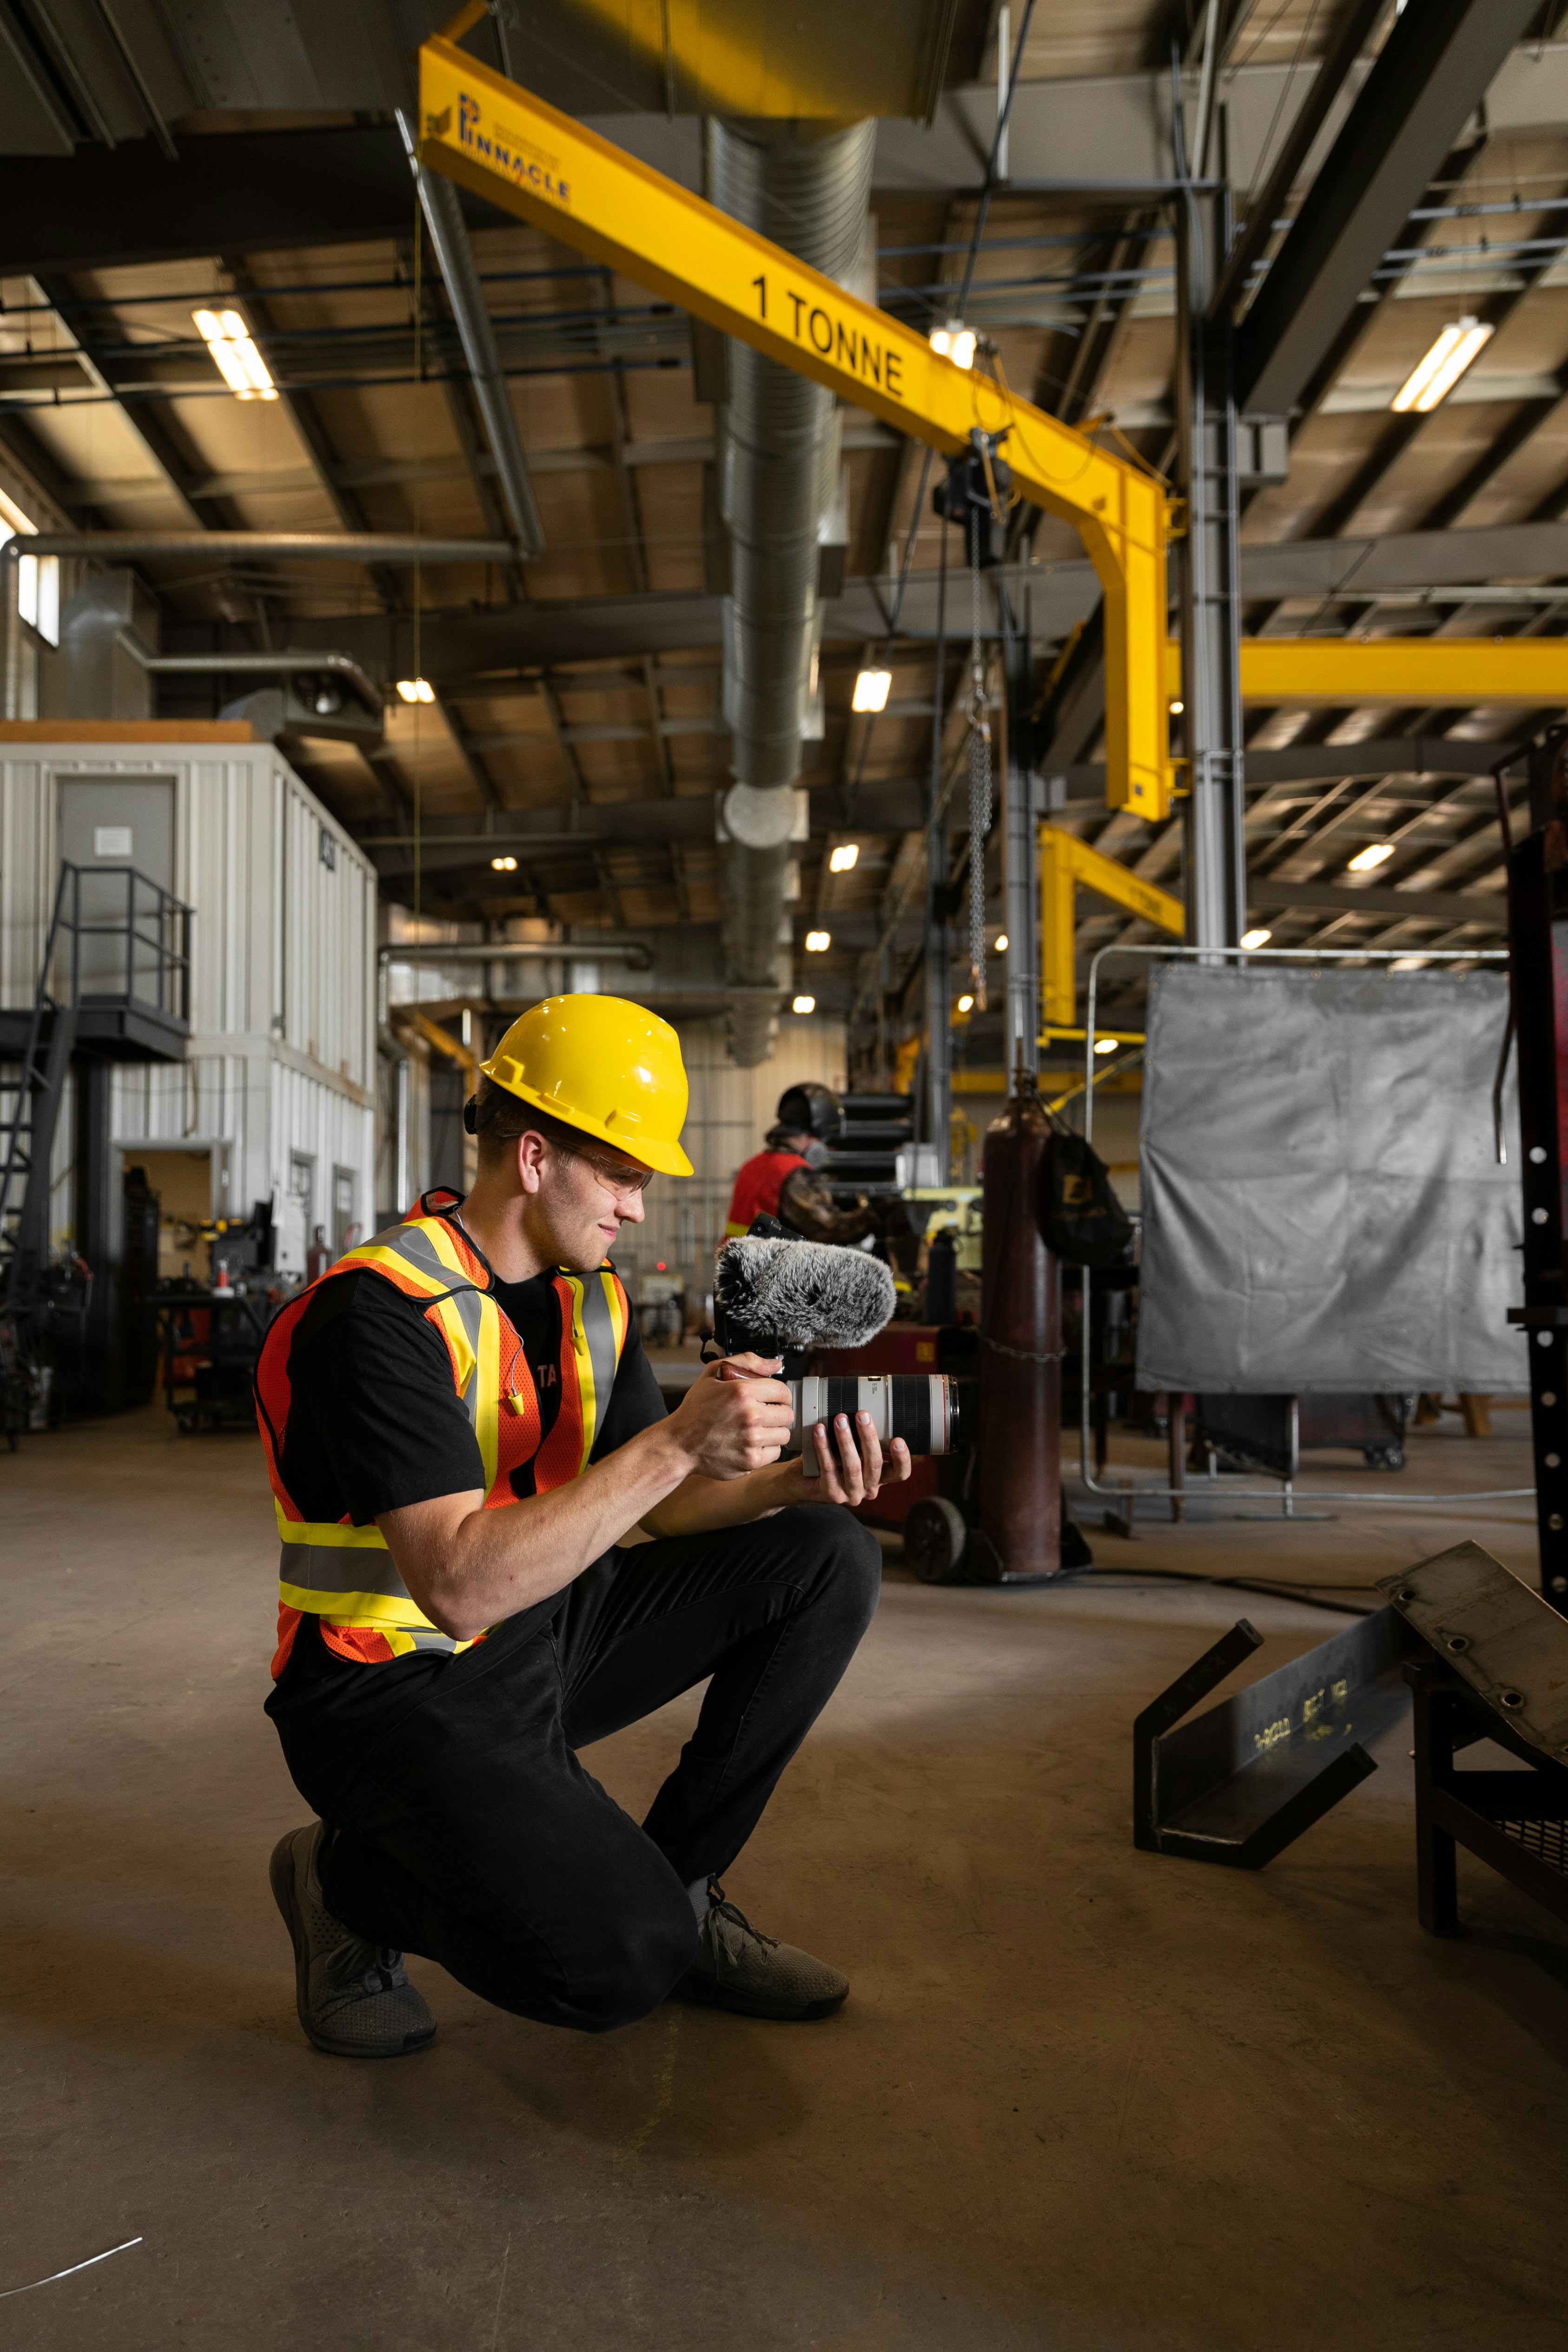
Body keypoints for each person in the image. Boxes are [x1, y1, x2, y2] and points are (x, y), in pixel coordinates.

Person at [255, 994, 910, 2059]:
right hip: (388, 1684)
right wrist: (673, 1441)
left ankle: (685, 1887)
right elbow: (455, 1584)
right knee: (613, 1962)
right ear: (531, 1154)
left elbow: (666, 1505)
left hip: (540, 1633)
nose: (636, 1209)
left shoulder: (585, 1297)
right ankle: (341, 1880)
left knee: (825, 1557)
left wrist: (794, 1483)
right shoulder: (378, 1312)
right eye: (622, 1174)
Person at [725, 1082, 880, 1244]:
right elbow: (830, 1229)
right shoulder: (795, 1172)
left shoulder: (752, 1165)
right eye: (823, 1139)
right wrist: (875, 1216)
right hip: (766, 1266)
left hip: (739, 1263)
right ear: (814, 1132)